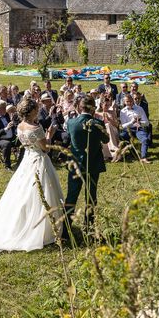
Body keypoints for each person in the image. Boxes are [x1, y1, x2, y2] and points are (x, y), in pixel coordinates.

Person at [0, 98, 62, 254]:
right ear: (32, 111)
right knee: (42, 192)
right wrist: (49, 134)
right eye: (36, 109)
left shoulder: (19, 126)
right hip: (39, 160)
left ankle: (23, 221)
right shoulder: (35, 128)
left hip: (27, 160)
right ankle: (42, 228)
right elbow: (45, 148)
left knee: (23, 192)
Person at [62, 96, 109, 241]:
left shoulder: (71, 122)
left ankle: (65, 230)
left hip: (75, 164)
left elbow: (68, 137)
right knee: (91, 197)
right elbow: (106, 140)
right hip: (93, 164)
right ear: (93, 108)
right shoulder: (97, 123)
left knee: (71, 196)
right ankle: (89, 228)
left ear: (79, 107)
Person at [118, 94, 151, 163]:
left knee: (145, 139)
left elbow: (147, 122)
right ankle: (133, 152)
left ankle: (143, 157)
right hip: (128, 129)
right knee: (122, 136)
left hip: (138, 128)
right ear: (124, 102)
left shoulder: (139, 108)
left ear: (133, 101)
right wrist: (131, 122)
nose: (129, 103)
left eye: (130, 101)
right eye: (127, 101)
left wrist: (139, 122)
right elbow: (123, 125)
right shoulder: (123, 111)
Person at [98, 94, 120, 160]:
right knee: (104, 129)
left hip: (113, 130)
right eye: (105, 105)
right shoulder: (97, 113)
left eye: (108, 105)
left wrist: (109, 119)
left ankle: (113, 148)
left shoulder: (112, 112)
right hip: (103, 131)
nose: (107, 107)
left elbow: (116, 125)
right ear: (101, 105)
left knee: (108, 125)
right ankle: (106, 154)